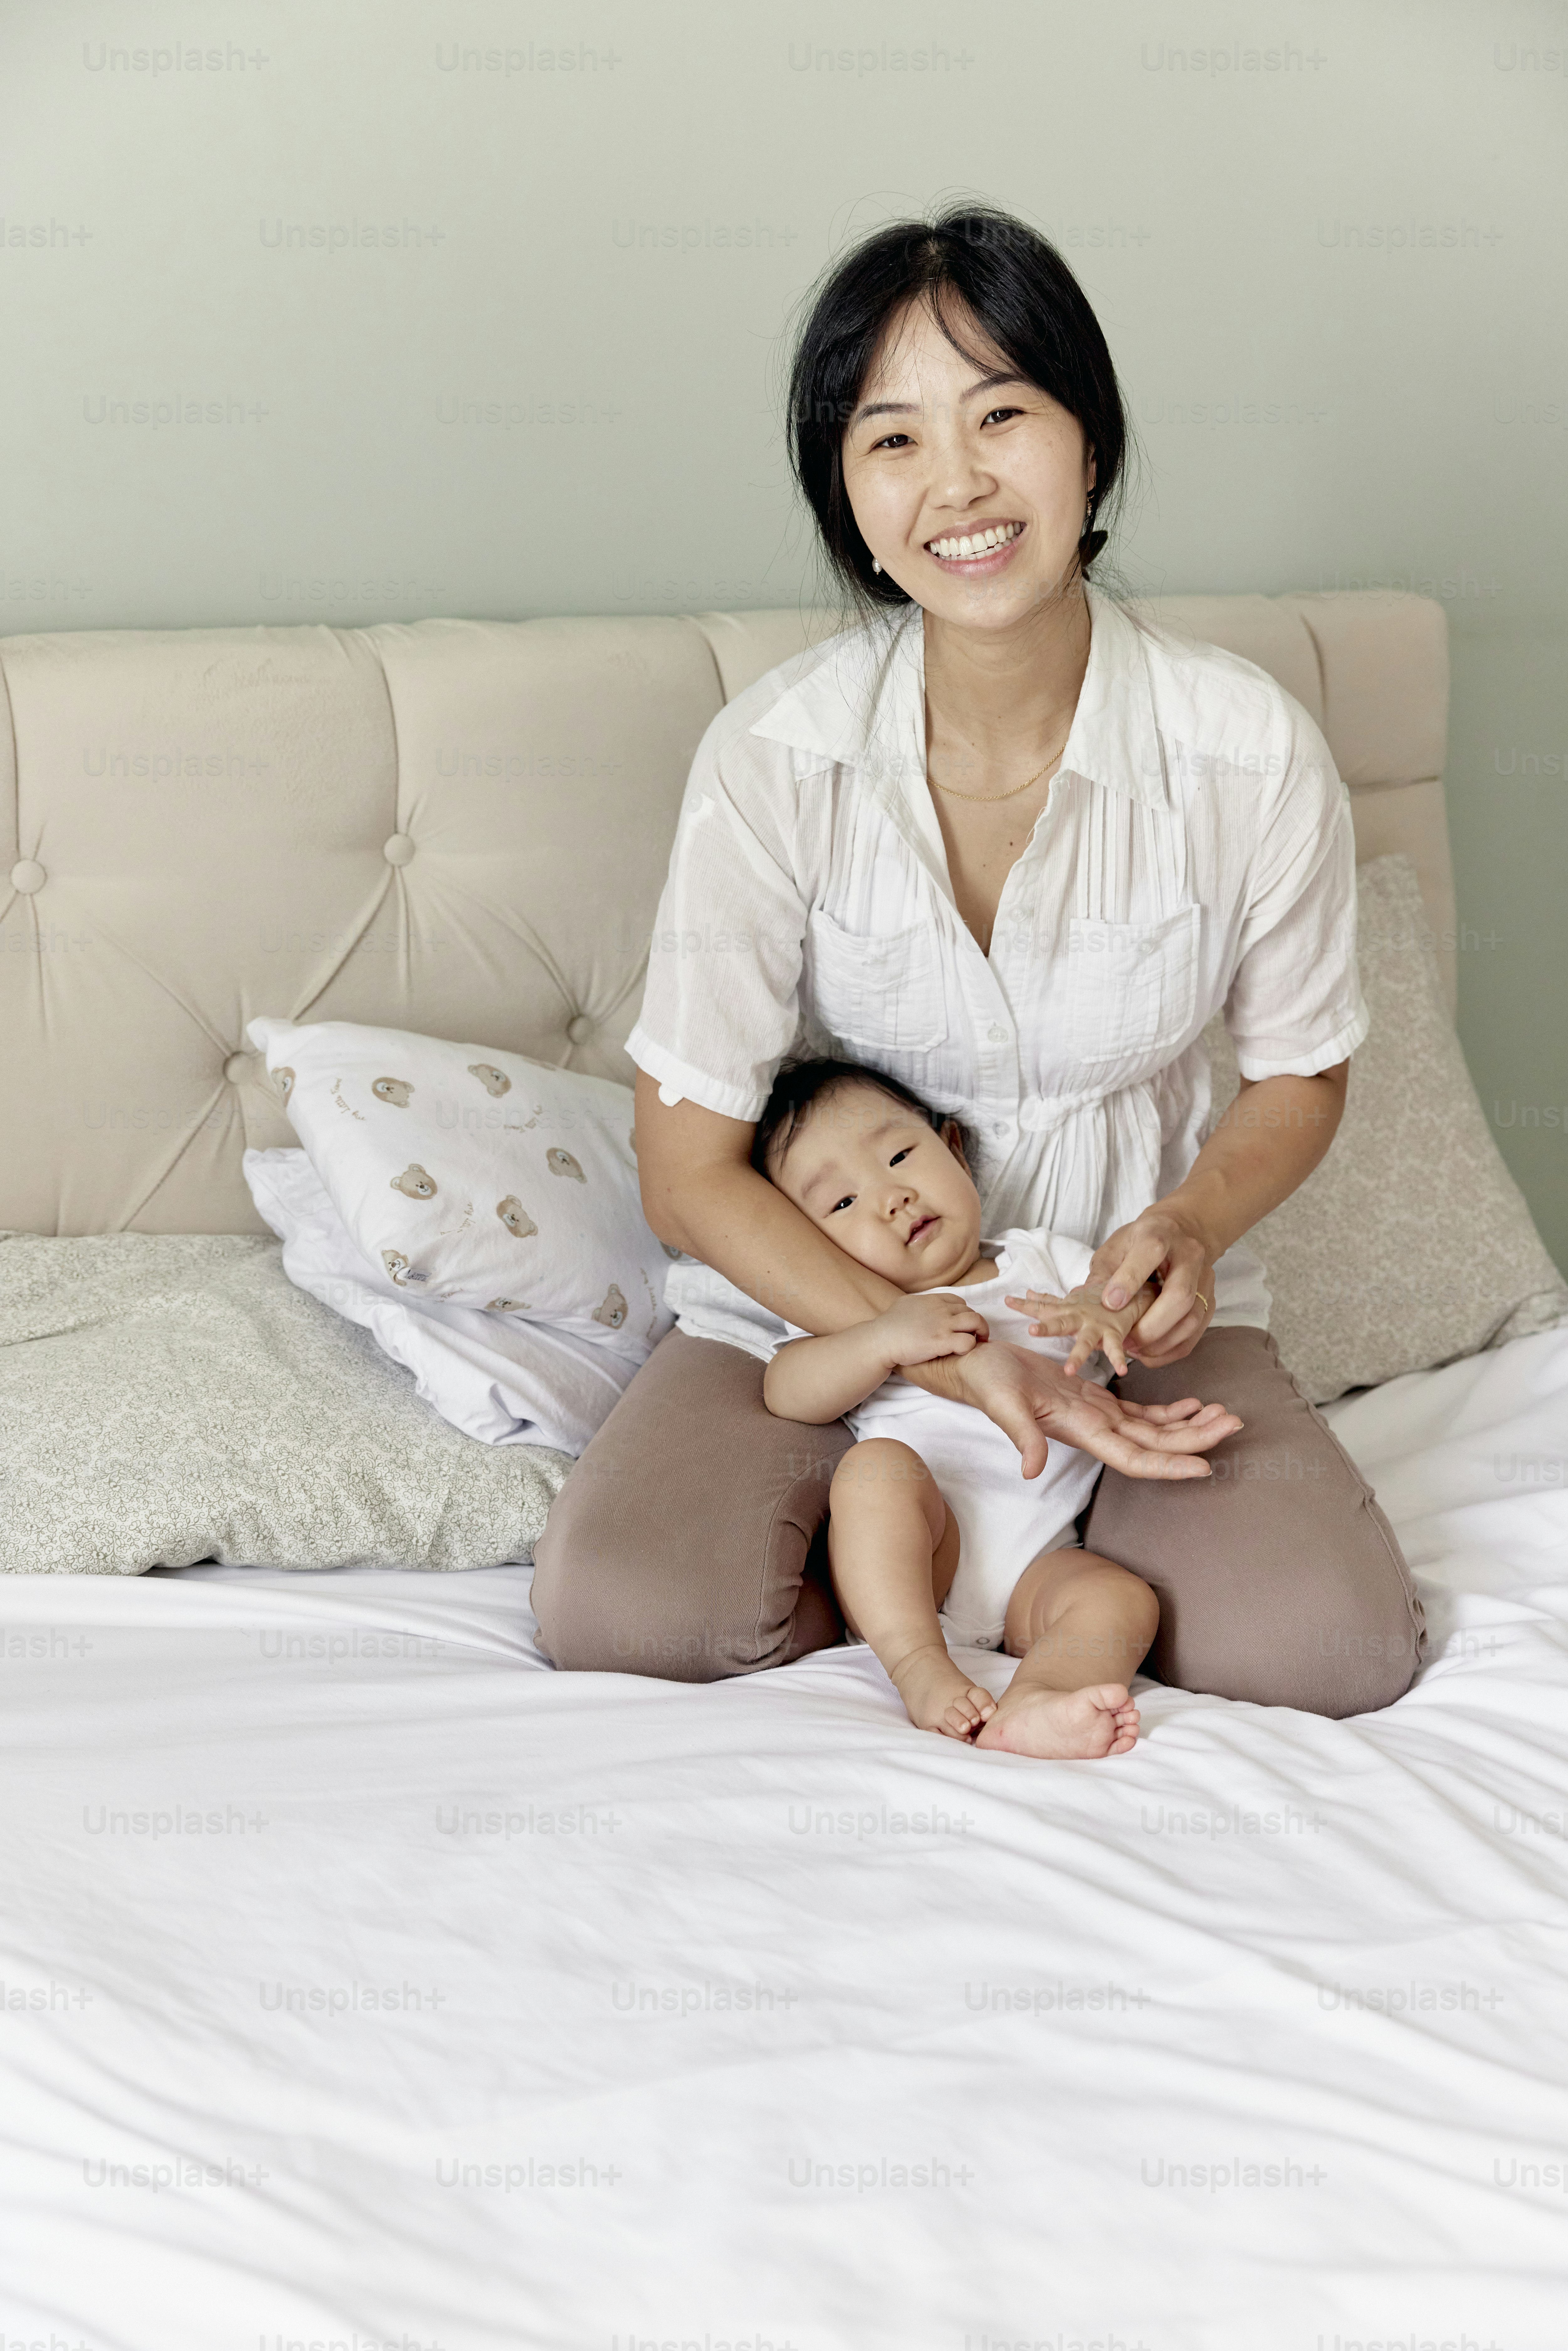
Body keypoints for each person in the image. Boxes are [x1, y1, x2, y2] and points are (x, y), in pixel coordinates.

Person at [531, 201, 1424, 1716]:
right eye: (892, 440)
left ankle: (1051, 1562)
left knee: (1324, 1653)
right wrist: (929, 1359)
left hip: (1115, 1308)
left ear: (1091, 443)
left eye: (1001, 412)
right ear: (850, 498)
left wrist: (1192, 1225)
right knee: (629, 1609)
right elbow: (689, 1168)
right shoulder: (774, 757)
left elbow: (1299, 1072)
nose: (957, 482)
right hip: (829, 1303)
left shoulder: (1246, 746)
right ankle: (922, 1564)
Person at [754, 1055, 1216, 1757]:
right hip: (924, 1559)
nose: (892, 1198)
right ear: (812, 1244)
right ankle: (919, 1666)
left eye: (901, 1155)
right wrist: (882, 1338)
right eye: (841, 1204)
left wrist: (1111, 1310)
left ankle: (1036, 1701)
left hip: (1042, 1565)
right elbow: (785, 1389)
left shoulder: (1040, 1261)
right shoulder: (849, 1311)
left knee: (1123, 1601)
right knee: (876, 1472)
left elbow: (1135, 1302)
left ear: (954, 1148)